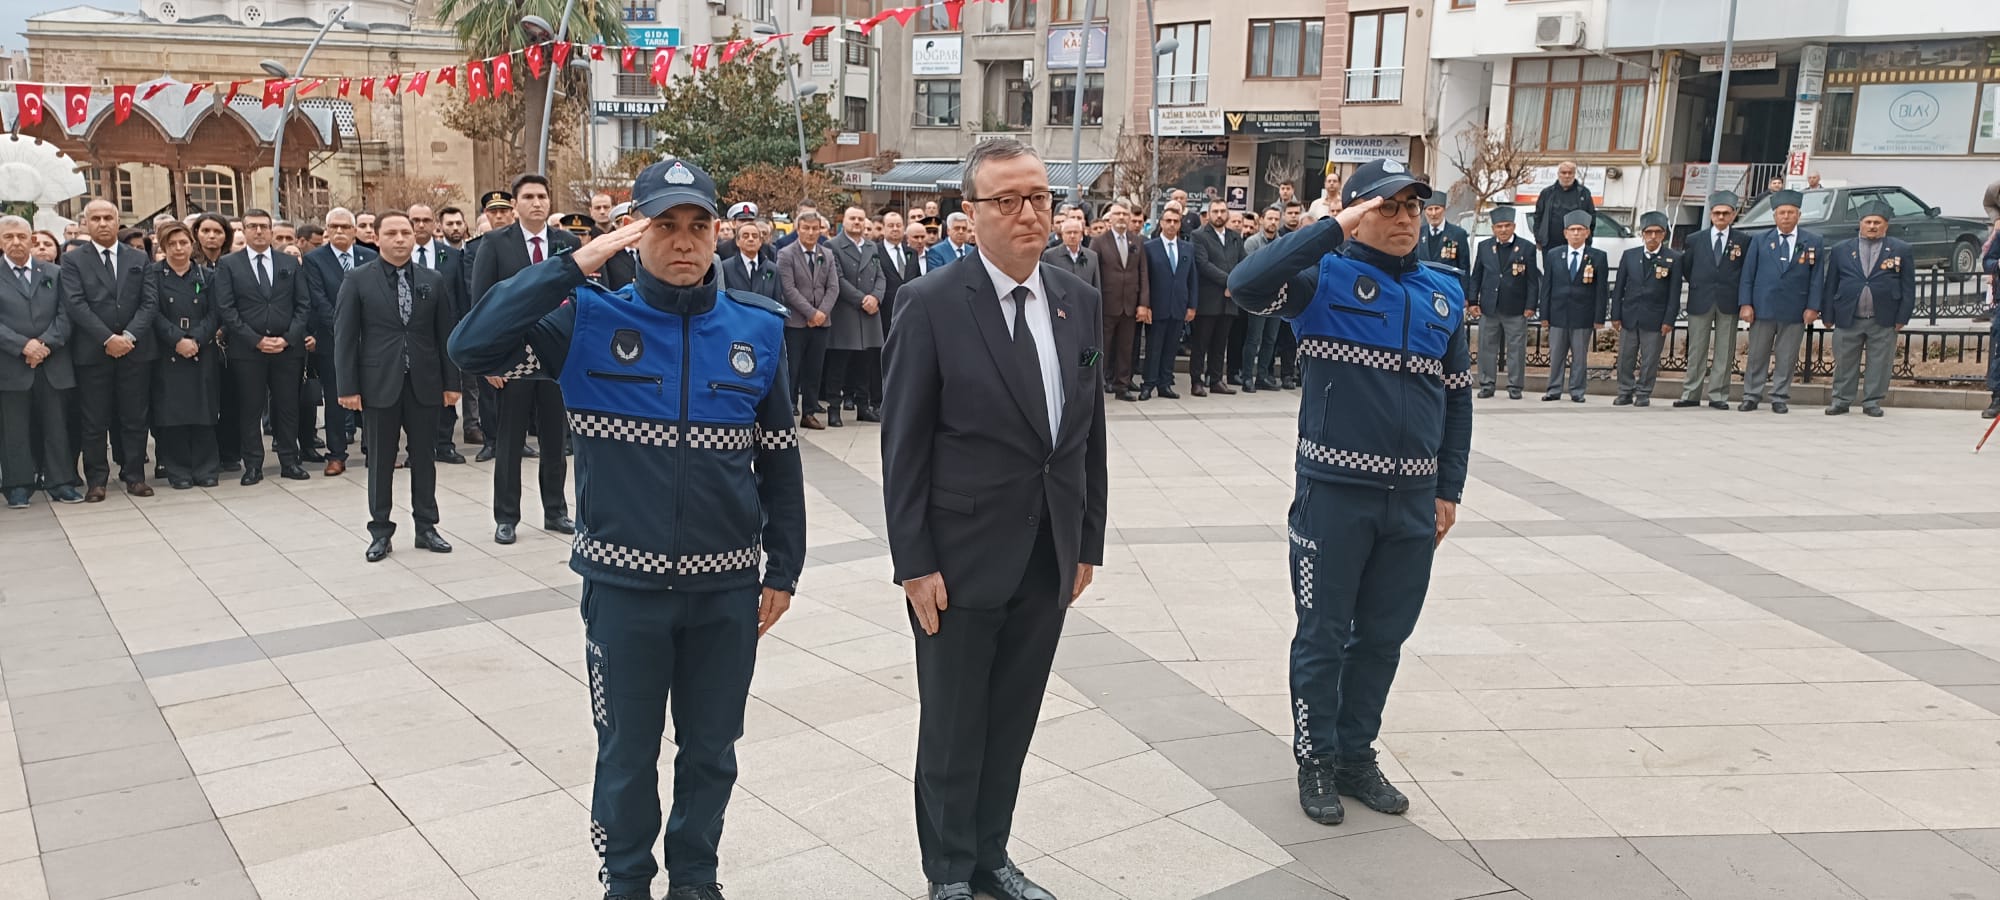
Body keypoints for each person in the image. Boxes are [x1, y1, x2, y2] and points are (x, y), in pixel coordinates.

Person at [449, 157, 804, 900]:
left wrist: (783, 568)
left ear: (718, 232)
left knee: (712, 751)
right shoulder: (587, 319)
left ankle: (696, 881)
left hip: (726, 593)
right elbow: (472, 346)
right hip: (624, 589)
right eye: (663, 226)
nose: (683, 242)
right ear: (633, 233)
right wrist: (574, 265)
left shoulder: (759, 329)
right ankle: (626, 881)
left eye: (697, 226)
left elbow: (779, 457)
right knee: (626, 753)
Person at [879, 137, 1106, 900]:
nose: (1028, 214)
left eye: (1039, 197)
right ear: (969, 216)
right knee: (952, 727)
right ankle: (947, 872)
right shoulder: (933, 303)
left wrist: (1088, 542)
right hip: (959, 556)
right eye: (1007, 201)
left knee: (1010, 720)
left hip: (1047, 551)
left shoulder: (1077, 298)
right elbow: (903, 444)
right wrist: (914, 561)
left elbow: (1087, 434)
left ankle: (991, 857)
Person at [1224, 157, 1470, 828]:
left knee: (1384, 636)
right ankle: (1316, 759)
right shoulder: (1320, 280)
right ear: (1357, 214)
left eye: (1413, 208)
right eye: (1386, 207)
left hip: (1412, 504)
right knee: (1324, 635)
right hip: (1334, 498)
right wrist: (1331, 226)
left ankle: (1357, 754)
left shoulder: (1443, 292)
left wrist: (1449, 488)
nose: (1403, 220)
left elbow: (1456, 402)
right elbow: (1245, 286)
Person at [334, 211, 459, 560]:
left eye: (406, 231)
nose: (401, 238)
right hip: (378, 382)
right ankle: (380, 531)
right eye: (392, 233)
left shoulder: (432, 279)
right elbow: (345, 336)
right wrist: (347, 387)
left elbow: (444, 333)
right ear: (376, 237)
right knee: (381, 459)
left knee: (425, 457)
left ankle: (426, 526)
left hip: (424, 381)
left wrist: (452, 382)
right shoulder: (357, 280)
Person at [468, 174, 576, 542]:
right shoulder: (496, 243)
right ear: (515, 204)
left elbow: (578, 299)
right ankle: (507, 517)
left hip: (556, 359)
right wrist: (490, 360)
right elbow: (483, 302)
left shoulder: (567, 242)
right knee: (510, 441)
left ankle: (556, 511)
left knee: (555, 439)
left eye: (542, 196)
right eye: (528, 196)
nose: (537, 202)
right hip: (513, 359)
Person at [61, 199, 157, 500]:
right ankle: (97, 480)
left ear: (118, 222)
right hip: (93, 352)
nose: (103, 223)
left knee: (134, 418)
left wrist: (127, 336)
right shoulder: (74, 261)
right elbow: (75, 304)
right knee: (94, 420)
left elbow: (149, 302)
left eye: (108, 218)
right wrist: (107, 338)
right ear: (86, 223)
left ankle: (135, 476)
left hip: (134, 351)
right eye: (96, 218)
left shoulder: (138, 258)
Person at [215, 208, 312, 484]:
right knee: (250, 408)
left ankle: (289, 461)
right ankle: (253, 464)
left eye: (263, 226)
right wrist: (255, 340)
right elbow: (226, 307)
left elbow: (303, 305)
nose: (258, 231)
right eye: (252, 226)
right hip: (247, 350)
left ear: (271, 231)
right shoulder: (229, 264)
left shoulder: (288, 263)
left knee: (287, 406)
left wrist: (288, 338)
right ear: (243, 231)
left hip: (287, 349)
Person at [0, 215, 83, 507]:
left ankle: (61, 482)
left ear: (32, 238)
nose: (16, 242)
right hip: (11, 364)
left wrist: (44, 345)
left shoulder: (54, 273)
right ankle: (18, 485)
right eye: (8, 237)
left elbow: (66, 314)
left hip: (52, 363)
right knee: (14, 429)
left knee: (56, 426)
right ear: (0, 241)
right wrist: (23, 346)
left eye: (21, 236)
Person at [144, 222, 223, 489]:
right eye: (172, 244)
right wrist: (177, 339)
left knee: (204, 411)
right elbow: (151, 312)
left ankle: (206, 468)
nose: (179, 248)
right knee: (173, 414)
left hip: (202, 349)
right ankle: (178, 470)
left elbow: (216, 312)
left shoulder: (206, 276)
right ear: (163, 247)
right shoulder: (153, 275)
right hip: (169, 352)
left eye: (183, 243)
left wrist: (197, 339)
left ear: (192, 244)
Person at [1822, 201, 1915, 417]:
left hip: (1883, 316)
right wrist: (1827, 314)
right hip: (1848, 315)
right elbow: (1831, 284)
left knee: (1880, 362)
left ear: (1886, 225)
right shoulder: (1841, 249)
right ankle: (1841, 400)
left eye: (1877, 222)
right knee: (1844, 360)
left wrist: (1903, 316)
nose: (1872, 226)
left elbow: (1908, 286)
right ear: (1860, 224)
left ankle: (1872, 401)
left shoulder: (1901, 249)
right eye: (1868, 222)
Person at [301, 208, 375, 476]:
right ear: (326, 231)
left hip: (370, 339)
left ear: (355, 230)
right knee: (336, 397)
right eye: (334, 227)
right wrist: (346, 328)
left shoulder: (371, 256)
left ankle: (375, 450)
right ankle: (336, 454)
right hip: (333, 339)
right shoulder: (314, 260)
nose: (340, 231)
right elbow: (317, 299)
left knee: (374, 396)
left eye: (345, 227)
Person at [1738, 189, 1825, 415]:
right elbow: (1748, 274)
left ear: (1798, 215)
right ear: (1774, 216)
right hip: (1762, 307)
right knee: (1757, 354)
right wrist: (1745, 304)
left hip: (1794, 309)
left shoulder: (1813, 241)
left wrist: (1813, 307)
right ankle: (1751, 395)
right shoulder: (1760, 241)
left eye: (1790, 212)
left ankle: (1779, 397)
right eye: (1781, 213)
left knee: (1786, 356)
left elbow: (1817, 279)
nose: (1786, 216)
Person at [408, 203, 479, 457]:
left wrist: (463, 327)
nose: (420, 225)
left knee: (448, 387)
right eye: (415, 220)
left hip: (445, 331)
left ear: (434, 224)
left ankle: (445, 444)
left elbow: (461, 294)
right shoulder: (400, 253)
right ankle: (416, 447)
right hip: (410, 334)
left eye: (425, 220)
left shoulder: (448, 255)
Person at [1675, 192, 1750, 410]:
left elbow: (1745, 272)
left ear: (1733, 215)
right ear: (1710, 214)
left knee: (1724, 350)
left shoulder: (1743, 241)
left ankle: (1718, 395)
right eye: (1717, 213)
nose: (1721, 217)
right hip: (1701, 298)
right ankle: (1691, 393)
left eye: (1726, 213)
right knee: (1696, 349)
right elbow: (1688, 268)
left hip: (1728, 299)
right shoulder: (1695, 239)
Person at [1609, 212, 1682, 407]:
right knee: (1625, 356)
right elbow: (1619, 288)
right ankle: (1625, 391)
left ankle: (1643, 393)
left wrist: (1669, 320)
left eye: (1657, 232)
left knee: (1650, 360)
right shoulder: (1630, 255)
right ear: (1642, 234)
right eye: (1648, 232)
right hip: (1630, 315)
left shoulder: (1673, 258)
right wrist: (1615, 314)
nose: (1652, 237)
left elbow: (1674, 294)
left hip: (1656, 317)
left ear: (1664, 234)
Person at [1468, 206, 1539, 399]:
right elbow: (1476, 276)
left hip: (1516, 308)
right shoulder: (1484, 247)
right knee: (1486, 348)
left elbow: (1533, 280)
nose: (1503, 230)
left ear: (1514, 226)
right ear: (1493, 228)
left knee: (1516, 350)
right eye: (1499, 226)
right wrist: (1473, 301)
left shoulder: (1526, 248)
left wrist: (1531, 305)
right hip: (1489, 307)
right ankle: (1487, 384)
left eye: (1507, 226)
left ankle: (1515, 386)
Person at [824, 206, 886, 427]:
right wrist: (862, 299)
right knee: (838, 366)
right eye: (853, 218)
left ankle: (863, 407)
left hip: (870, 314)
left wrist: (876, 298)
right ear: (844, 222)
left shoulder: (871, 246)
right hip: (847, 312)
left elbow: (880, 276)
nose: (857, 222)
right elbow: (837, 279)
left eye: (860, 219)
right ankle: (834, 408)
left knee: (865, 365)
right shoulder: (832, 246)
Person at [777, 209, 838, 430]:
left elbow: (833, 287)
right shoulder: (786, 254)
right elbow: (788, 289)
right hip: (796, 323)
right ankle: (786, 411)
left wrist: (821, 313)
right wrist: (811, 313)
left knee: (814, 369)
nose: (811, 233)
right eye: (806, 228)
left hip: (822, 322)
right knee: (792, 369)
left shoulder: (827, 254)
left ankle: (810, 412)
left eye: (815, 228)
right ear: (798, 229)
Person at [1539, 210, 1608, 403]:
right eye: (1572, 229)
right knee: (1556, 355)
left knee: (1579, 356)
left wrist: (1599, 318)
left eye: (1580, 229)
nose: (1576, 233)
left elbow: (1601, 290)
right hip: (1558, 313)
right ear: (1565, 233)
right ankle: (1553, 389)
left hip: (1583, 315)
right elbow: (1547, 286)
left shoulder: (1598, 257)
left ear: (1587, 233)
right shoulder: (1554, 255)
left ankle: (1577, 391)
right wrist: (1544, 314)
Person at [1187, 200, 1244, 396]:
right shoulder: (1199, 236)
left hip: (1229, 301)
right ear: (1209, 214)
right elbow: (1203, 264)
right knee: (1201, 343)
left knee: (1221, 343)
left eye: (1223, 211)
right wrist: (1230, 282)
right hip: (1208, 298)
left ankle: (1216, 379)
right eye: (1215, 211)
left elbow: (1242, 263)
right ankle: (1196, 380)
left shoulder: (1235, 237)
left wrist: (1236, 283)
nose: (1219, 215)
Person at [1140, 206, 1197, 400]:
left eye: (1176, 221)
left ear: (1180, 224)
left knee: (1171, 349)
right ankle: (1148, 384)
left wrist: (1192, 305)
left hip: (1178, 307)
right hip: (1156, 306)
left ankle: (1165, 384)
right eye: (1168, 221)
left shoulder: (1187, 247)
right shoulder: (1149, 247)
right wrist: (1145, 305)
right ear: (1161, 223)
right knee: (1153, 348)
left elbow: (1192, 279)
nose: (1172, 225)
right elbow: (1145, 279)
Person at [1096, 201, 1147, 401]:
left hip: (1129, 304)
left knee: (1126, 348)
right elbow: (1095, 272)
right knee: (1103, 348)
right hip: (1107, 303)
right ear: (1110, 218)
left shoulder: (1137, 241)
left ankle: (1121, 386)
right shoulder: (1099, 241)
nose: (1121, 218)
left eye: (1125, 214)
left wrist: (1143, 302)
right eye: (1117, 214)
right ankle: (1098, 384)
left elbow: (1143, 272)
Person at [1240, 205, 1285, 392]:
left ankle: (1263, 376)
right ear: (1262, 220)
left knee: (1270, 339)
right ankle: (1247, 377)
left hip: (1277, 298)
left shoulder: (1283, 242)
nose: (1273, 222)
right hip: (1258, 300)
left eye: (1276, 219)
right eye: (1270, 218)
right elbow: (1252, 271)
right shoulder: (1252, 243)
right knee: (1254, 339)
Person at [1531, 161, 1595, 250]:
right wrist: (1538, 239)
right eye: (1564, 173)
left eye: (1570, 173)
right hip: (1550, 244)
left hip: (1576, 245)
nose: (1567, 176)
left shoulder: (1583, 193)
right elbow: (1538, 217)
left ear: (1574, 174)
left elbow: (1591, 218)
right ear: (1558, 174)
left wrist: (1587, 240)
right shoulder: (1547, 193)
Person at [1417, 197, 1471, 293]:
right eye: (1430, 209)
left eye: (1437, 208)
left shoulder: (1458, 234)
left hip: (1448, 289)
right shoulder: (1418, 233)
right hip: (1423, 289)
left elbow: (1464, 267)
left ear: (1444, 209)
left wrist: (1464, 294)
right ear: (1425, 212)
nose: (1433, 213)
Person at [720, 220, 781, 301]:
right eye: (745, 236)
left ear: (760, 242)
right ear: (737, 242)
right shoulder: (726, 268)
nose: (751, 239)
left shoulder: (772, 269)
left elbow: (777, 300)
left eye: (755, 236)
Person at [1041, 218, 1100, 292]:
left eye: (1075, 232)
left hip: (1084, 301)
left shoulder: (1092, 256)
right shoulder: (1050, 256)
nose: (1072, 236)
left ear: (1081, 234)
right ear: (1062, 234)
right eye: (1068, 232)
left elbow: (1096, 286)